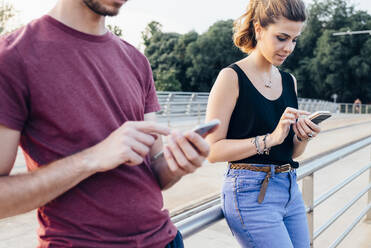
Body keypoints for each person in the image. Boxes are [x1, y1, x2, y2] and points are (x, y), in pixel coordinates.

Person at [0, 0, 211, 247]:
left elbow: (155, 172)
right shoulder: (12, 57)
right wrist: (92, 159)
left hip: (165, 240)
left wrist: (179, 163)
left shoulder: (136, 60)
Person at [205, 0, 322, 247]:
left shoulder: (289, 81)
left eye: (294, 39)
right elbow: (212, 150)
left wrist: (302, 137)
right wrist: (270, 139)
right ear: (259, 29)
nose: (289, 47)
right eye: (281, 38)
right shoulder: (231, 77)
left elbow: (291, 151)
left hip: (289, 187)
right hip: (250, 193)